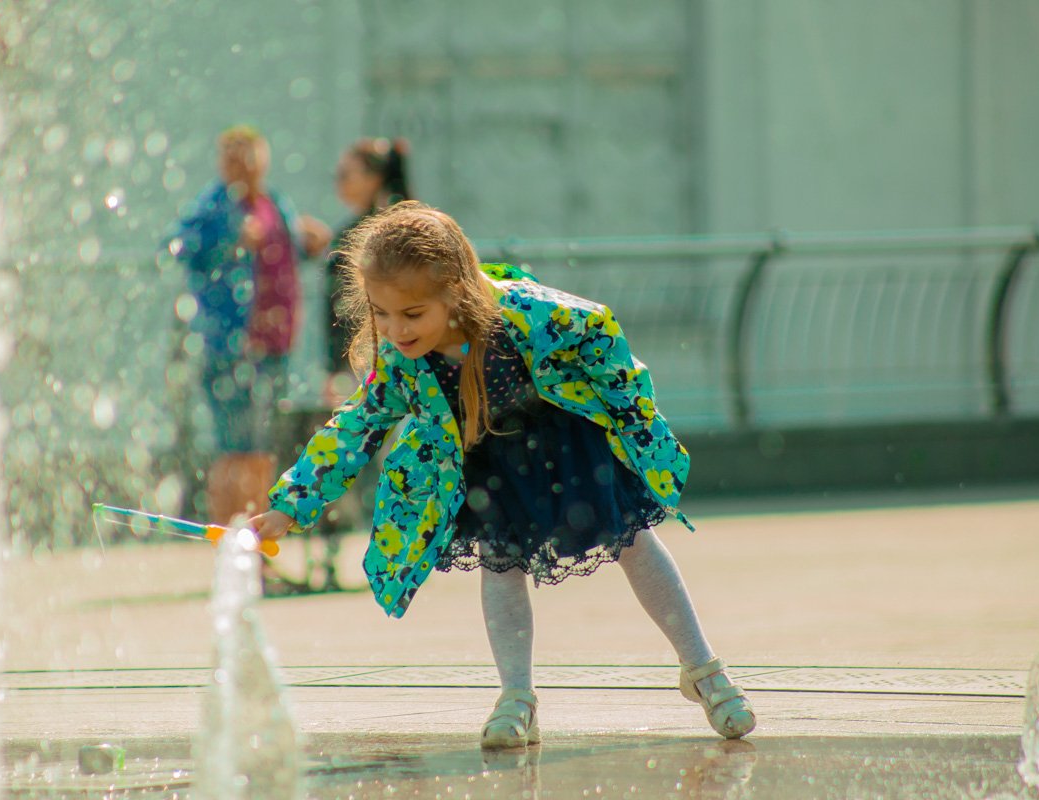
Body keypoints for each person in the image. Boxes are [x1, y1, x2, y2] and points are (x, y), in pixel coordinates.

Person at [248, 201, 756, 748]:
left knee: (633, 541)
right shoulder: (400, 361)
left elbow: (600, 331)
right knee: (501, 567)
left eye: (412, 314)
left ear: (455, 290)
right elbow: (355, 427)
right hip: (488, 464)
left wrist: (631, 421)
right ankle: (518, 697)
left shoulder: (523, 313)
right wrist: (289, 506)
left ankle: (702, 669)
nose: (395, 330)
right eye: (382, 313)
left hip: (566, 444)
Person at [165, 125, 328, 592]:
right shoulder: (214, 206)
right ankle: (231, 557)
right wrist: (229, 240)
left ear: (264, 159)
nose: (244, 168)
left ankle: (255, 557)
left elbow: (282, 252)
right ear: (222, 163)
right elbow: (176, 246)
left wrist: (305, 244)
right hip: (231, 348)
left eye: (251, 159)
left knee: (260, 454)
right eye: (234, 160)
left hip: (274, 347)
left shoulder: (274, 200)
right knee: (234, 451)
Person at [303, 137, 413, 591]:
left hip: (372, 365)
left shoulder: (367, 234)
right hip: (389, 363)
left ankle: (347, 558)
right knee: (387, 461)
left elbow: (344, 316)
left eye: (346, 174)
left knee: (351, 457)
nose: (339, 183)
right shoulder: (398, 225)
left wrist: (338, 368)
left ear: (373, 178)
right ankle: (391, 556)